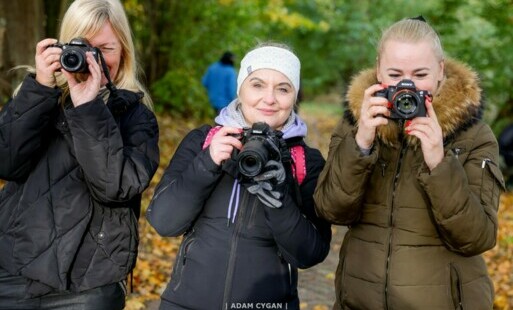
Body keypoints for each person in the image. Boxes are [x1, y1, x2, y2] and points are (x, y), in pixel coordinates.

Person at [313, 16, 505, 309]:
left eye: (420, 74)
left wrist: (439, 164)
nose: (407, 85)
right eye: (395, 73)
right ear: (379, 70)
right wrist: (361, 144)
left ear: (440, 71)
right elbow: (330, 210)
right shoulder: (356, 124)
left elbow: (476, 238)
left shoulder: (474, 135)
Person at [147, 42, 331, 310]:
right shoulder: (202, 141)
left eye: (283, 88)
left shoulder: (306, 161)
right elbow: (164, 222)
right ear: (240, 88)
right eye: (257, 84)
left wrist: (278, 199)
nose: (269, 98)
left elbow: (310, 254)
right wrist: (207, 163)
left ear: (294, 96)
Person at [0, 0, 159, 309]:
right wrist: (41, 88)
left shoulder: (136, 117)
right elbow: (7, 163)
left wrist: (89, 109)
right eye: (84, 46)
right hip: (13, 267)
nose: (93, 58)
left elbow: (115, 187)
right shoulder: (37, 94)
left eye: (106, 48)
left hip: (88, 282)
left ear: (124, 50)